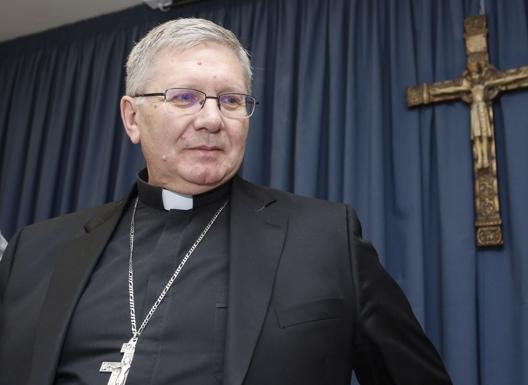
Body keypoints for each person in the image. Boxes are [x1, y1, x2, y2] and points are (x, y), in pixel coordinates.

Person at [0, 18, 452, 385]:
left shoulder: (325, 239)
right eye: (185, 98)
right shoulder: (34, 251)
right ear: (132, 117)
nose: (213, 119)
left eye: (231, 100)